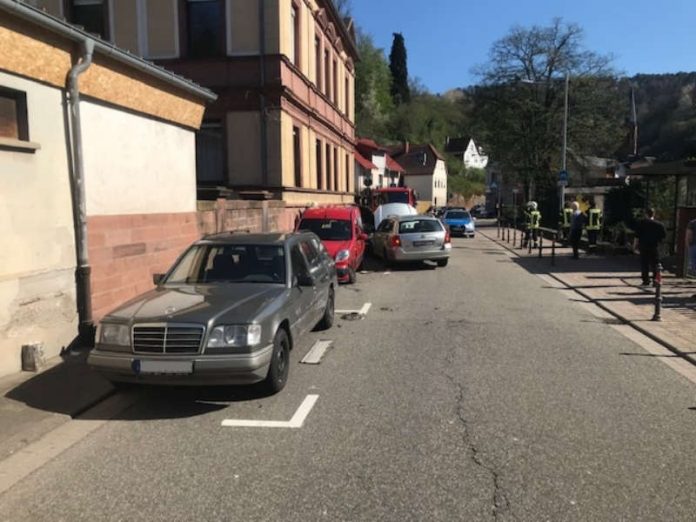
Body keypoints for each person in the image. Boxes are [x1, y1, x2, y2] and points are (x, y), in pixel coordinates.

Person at [633, 208, 666, 286]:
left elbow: (636, 236)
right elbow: (663, 236)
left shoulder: (641, 223)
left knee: (644, 264)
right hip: (655, 246)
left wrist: (634, 246)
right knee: (655, 264)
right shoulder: (659, 225)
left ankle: (646, 280)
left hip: (643, 246)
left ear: (646, 214)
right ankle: (655, 279)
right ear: (653, 214)